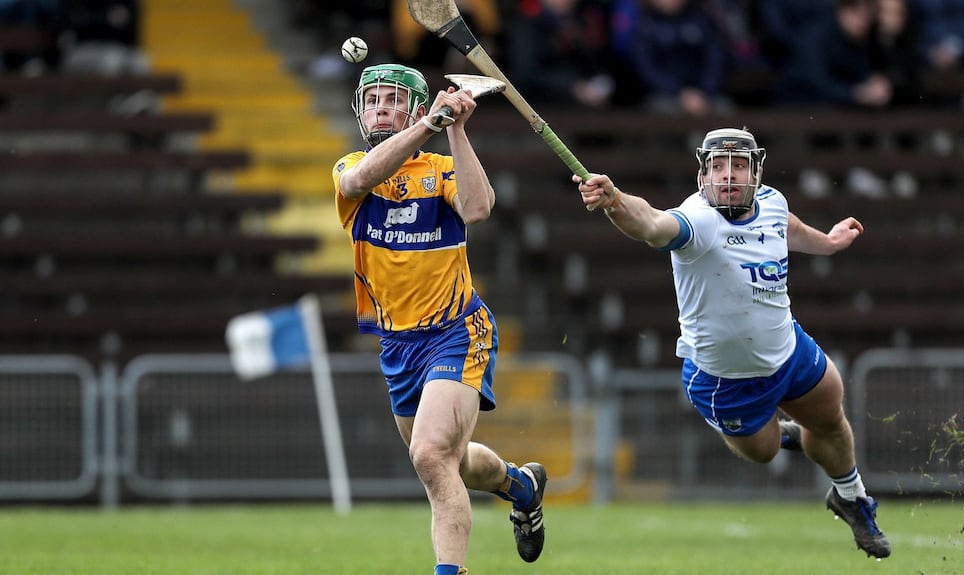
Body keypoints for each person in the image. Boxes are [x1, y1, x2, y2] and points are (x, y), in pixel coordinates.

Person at [574, 127, 892, 559]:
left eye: (738, 166)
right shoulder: (699, 220)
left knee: (832, 417)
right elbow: (649, 222)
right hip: (727, 380)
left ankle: (851, 499)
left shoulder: (772, 202)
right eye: (718, 166)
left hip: (789, 350)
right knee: (762, 453)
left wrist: (829, 243)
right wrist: (615, 202)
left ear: (755, 173)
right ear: (703, 174)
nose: (727, 176)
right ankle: (779, 432)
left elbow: (788, 230)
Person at [331, 64, 547, 575]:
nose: (381, 108)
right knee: (448, 462)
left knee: (430, 456)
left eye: (393, 99)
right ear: (360, 112)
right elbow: (364, 178)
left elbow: (477, 209)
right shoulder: (350, 167)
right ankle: (521, 486)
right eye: (373, 100)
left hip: (457, 330)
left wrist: (456, 129)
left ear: (414, 104)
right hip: (396, 344)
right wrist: (429, 124)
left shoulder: (440, 167)